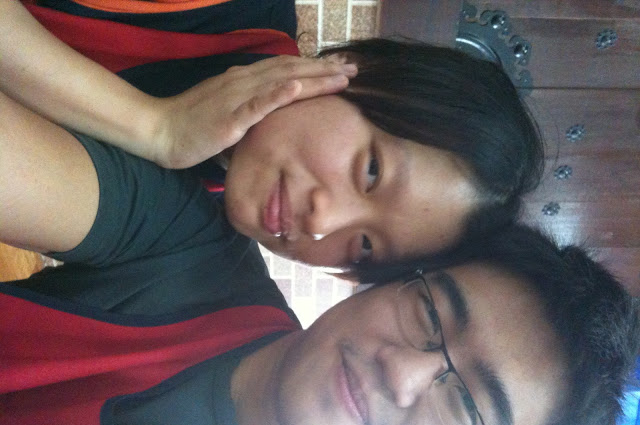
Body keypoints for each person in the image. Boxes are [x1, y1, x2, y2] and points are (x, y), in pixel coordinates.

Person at [1, 108, 638, 425]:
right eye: (429, 315)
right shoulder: (186, 247)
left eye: (467, 409)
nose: (402, 374)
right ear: (386, 280)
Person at [0, 0, 544, 270]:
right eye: (372, 170)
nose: (322, 222)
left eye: (364, 248)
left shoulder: (192, 231)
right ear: (356, 71)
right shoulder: (223, 10)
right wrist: (154, 125)